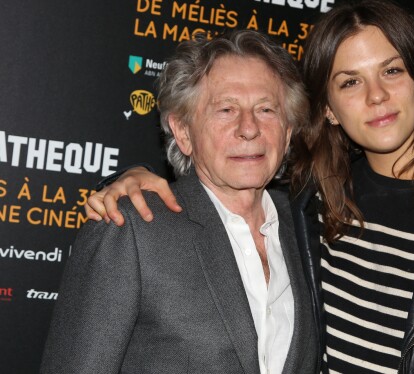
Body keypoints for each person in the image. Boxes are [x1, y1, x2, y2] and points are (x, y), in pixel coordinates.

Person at [86, 1, 414, 373]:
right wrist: (129, 179)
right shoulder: (310, 198)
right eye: (350, 82)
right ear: (327, 109)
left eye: (393, 71)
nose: (376, 96)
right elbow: (223, 176)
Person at [40, 30, 318, 374]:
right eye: (226, 109)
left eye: (265, 109)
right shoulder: (132, 231)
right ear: (184, 133)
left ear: (288, 131)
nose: (249, 128)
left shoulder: (310, 232)